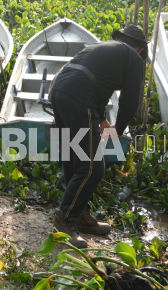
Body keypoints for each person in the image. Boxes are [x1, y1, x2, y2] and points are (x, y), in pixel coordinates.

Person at [49, 25, 146, 248]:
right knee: (93, 166)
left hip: (60, 89)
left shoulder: (103, 48)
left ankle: (80, 214)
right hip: (78, 94)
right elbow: (130, 101)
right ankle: (64, 219)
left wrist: (101, 117)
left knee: (74, 157)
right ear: (140, 50)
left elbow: (99, 85)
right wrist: (119, 132)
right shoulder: (134, 58)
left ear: (119, 38)